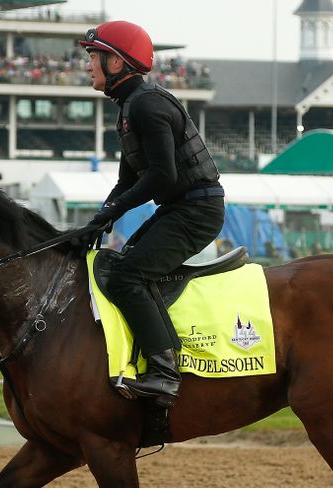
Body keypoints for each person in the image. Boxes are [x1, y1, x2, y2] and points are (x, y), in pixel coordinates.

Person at [78, 21, 225, 407]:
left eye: (93, 56)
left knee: (127, 276)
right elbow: (127, 182)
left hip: (197, 210)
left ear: (116, 62)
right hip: (182, 207)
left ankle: (165, 373)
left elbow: (162, 175)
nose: (88, 65)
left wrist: (112, 212)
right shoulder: (130, 107)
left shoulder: (147, 105)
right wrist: (98, 219)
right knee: (122, 263)